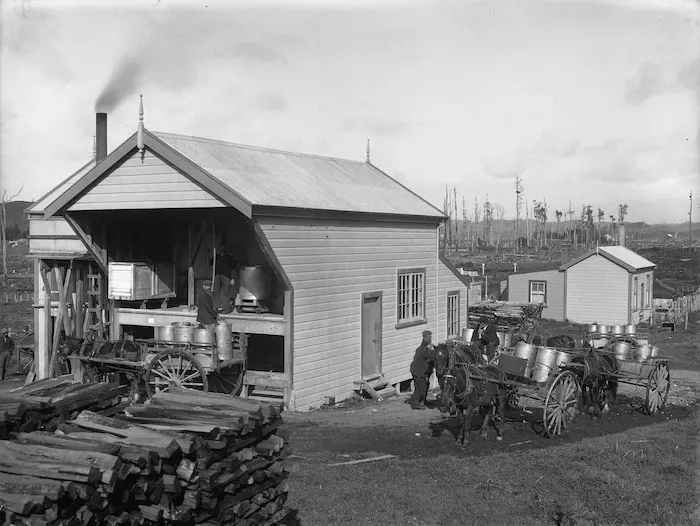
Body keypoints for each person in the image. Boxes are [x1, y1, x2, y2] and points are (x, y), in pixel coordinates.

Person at [409, 330, 436, 410]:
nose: (431, 338)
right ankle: (415, 404)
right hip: (418, 371)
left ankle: (423, 401)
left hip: (422, 371)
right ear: (425, 338)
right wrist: (433, 350)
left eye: (431, 337)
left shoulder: (424, 348)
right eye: (429, 337)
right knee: (421, 387)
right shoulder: (422, 350)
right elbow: (432, 356)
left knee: (426, 385)